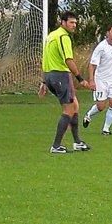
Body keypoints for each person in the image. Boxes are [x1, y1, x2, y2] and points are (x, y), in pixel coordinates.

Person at [39, 11, 92, 154]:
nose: (74, 25)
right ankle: (56, 146)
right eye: (71, 22)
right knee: (68, 109)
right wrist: (80, 78)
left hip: (50, 75)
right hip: (60, 75)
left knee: (74, 105)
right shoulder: (63, 36)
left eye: (75, 22)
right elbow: (68, 60)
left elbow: (45, 58)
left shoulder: (51, 36)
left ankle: (77, 142)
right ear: (63, 22)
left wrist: (44, 81)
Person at [82, 25, 112, 136]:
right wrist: (91, 80)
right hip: (101, 80)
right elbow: (92, 64)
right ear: (107, 33)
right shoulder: (101, 47)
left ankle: (106, 129)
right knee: (101, 106)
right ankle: (89, 115)